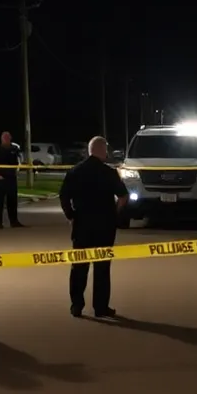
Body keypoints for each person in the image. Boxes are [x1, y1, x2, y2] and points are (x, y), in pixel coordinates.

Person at [58, 135, 128, 318]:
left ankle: (77, 305)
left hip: (82, 225)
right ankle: (100, 307)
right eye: (106, 150)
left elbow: (64, 196)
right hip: (105, 227)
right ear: (102, 150)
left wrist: (71, 216)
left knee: (79, 267)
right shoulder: (109, 173)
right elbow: (123, 196)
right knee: (102, 269)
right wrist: (115, 214)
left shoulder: (75, 171)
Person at [0, 131, 25, 229]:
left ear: (10, 138)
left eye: (8, 137)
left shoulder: (15, 149)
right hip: (1, 179)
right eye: (4, 137)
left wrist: (18, 170)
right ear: (1, 139)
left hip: (12, 178)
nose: (6, 139)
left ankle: (14, 222)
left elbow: (19, 161)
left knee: (13, 201)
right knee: (0, 202)